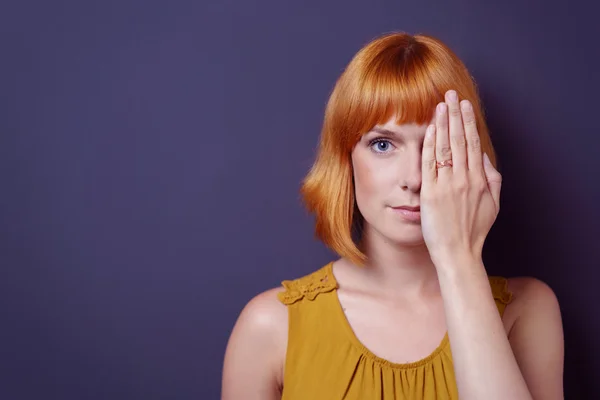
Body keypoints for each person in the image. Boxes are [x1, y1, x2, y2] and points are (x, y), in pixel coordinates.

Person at [221, 32, 564, 400]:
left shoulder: (527, 311)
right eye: (383, 145)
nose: (415, 178)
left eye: (437, 145)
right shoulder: (270, 327)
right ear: (346, 160)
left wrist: (459, 259)